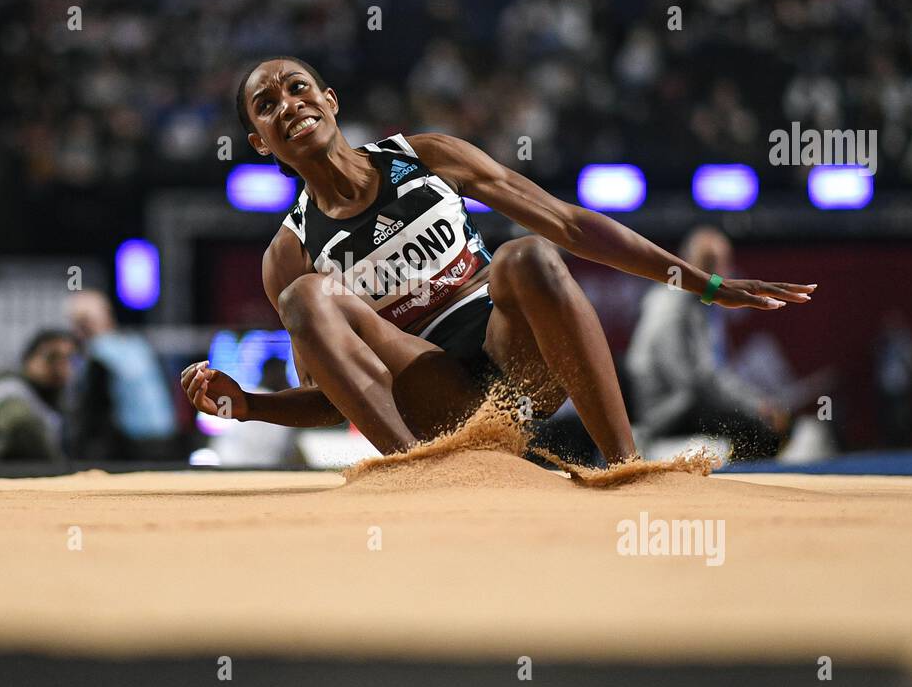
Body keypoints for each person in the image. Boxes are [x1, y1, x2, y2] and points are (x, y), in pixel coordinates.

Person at [181, 56, 815, 460]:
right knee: (306, 298)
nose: (288, 105)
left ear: (330, 98)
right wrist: (249, 404)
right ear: (259, 143)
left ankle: (627, 465)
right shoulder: (290, 253)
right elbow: (334, 398)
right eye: (267, 106)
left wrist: (701, 284)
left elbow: (569, 223)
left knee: (526, 254)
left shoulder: (422, 156)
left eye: (297, 88)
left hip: (520, 365)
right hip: (432, 395)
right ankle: (419, 478)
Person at [625, 227, 788, 460]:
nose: (712, 271)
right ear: (687, 261)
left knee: (760, 422)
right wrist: (756, 406)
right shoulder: (673, 306)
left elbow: (708, 378)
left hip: (686, 402)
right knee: (759, 429)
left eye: (716, 263)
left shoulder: (697, 302)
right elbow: (699, 382)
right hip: (668, 413)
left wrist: (756, 404)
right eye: (707, 262)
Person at [68, 289, 181, 460]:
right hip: (167, 438)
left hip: (130, 446)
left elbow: (92, 411)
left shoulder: (98, 355)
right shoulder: (138, 345)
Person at [0, 329, 77, 461]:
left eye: (68, 359)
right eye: (52, 358)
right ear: (28, 359)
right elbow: (21, 429)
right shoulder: (11, 390)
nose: (60, 367)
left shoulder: (57, 398)